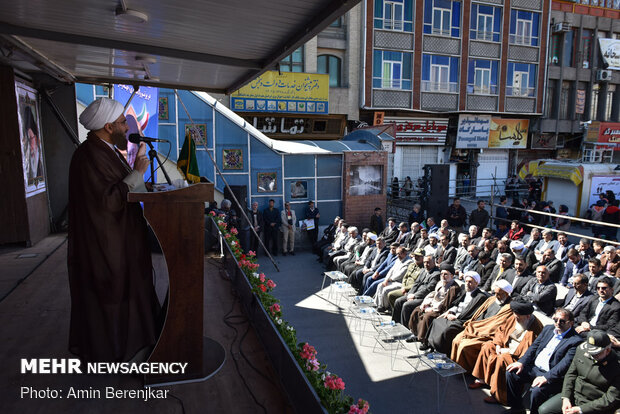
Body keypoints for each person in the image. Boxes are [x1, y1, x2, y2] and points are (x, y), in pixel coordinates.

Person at [68, 97, 161, 362]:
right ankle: (115, 353)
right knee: (112, 295)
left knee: (130, 292)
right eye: (122, 123)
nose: (125, 128)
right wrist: (137, 173)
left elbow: (120, 188)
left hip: (121, 240)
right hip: (105, 245)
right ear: (108, 126)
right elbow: (107, 200)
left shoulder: (105, 150)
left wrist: (139, 175)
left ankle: (134, 344)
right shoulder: (88, 156)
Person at [504, 308, 583, 414]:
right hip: (535, 368)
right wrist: (521, 362)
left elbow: (564, 365)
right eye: (555, 320)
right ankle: (517, 408)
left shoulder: (575, 341)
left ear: (571, 323)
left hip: (552, 375)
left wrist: (546, 377)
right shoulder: (548, 329)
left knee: (538, 390)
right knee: (511, 373)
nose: (558, 323)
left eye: (562, 321)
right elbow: (534, 347)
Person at [470, 301, 543, 406]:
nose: (515, 318)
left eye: (518, 317)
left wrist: (508, 351)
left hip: (518, 356)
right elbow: (501, 331)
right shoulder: (514, 317)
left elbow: (530, 350)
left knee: (502, 359)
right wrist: (498, 345)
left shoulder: (536, 327)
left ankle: (499, 395)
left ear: (528, 316)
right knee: (487, 346)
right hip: (505, 345)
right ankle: (482, 379)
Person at [537, 330, 620, 414]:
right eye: (589, 351)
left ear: (608, 350)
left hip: (594, 405)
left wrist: (581, 409)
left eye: (596, 353)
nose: (591, 355)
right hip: (574, 395)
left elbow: (611, 398)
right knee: (544, 410)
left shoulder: (617, 367)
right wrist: (566, 397)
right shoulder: (581, 350)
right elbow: (571, 374)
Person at [408, 263, 462, 351]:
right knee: (417, 310)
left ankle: (425, 341)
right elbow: (433, 294)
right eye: (441, 274)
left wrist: (432, 308)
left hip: (441, 309)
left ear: (451, 276)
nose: (443, 276)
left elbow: (445, 303)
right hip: (433, 304)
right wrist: (426, 303)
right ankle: (416, 334)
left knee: (427, 316)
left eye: (445, 274)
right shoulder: (440, 283)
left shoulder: (453, 288)